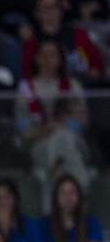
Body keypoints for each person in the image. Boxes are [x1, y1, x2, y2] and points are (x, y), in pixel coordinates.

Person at [17, 38, 91, 190]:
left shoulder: (73, 86)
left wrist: (55, 126)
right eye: (43, 55)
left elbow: (81, 124)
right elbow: (24, 134)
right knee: (61, 139)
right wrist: (49, 128)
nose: (48, 60)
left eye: (52, 55)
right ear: (36, 58)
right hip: (40, 146)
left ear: (60, 59)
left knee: (64, 137)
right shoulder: (24, 89)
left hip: (74, 143)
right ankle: (80, 192)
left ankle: (59, 182)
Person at [23, 0, 104, 85]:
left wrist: (92, 72)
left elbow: (97, 66)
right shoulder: (32, 42)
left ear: (61, 10)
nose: (50, 11)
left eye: (54, 6)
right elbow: (26, 75)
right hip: (44, 92)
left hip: (81, 89)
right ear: (37, 13)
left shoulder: (79, 35)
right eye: (44, 7)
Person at [43, 175, 104, 242]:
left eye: (72, 193)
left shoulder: (91, 222)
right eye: (63, 193)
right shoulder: (47, 224)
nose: (68, 198)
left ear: (79, 196)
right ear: (56, 197)